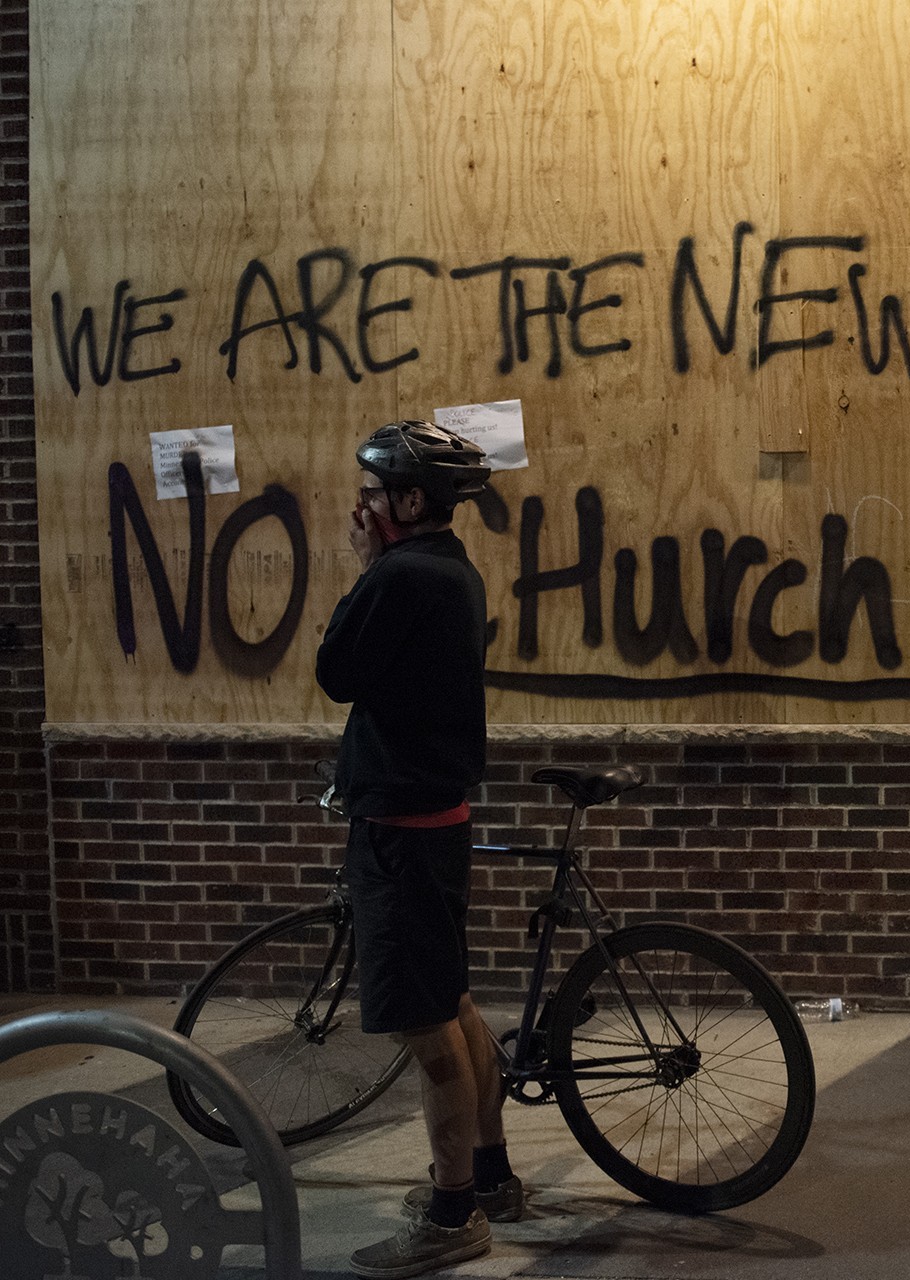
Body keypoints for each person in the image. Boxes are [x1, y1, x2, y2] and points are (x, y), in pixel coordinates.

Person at [316, 420, 521, 1279]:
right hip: (435, 821)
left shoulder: (401, 575)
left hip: (401, 833)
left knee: (425, 1026)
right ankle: (493, 1175)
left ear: (408, 500)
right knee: (454, 1001)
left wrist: (366, 568)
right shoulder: (452, 570)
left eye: (373, 492)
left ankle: (451, 1215)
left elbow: (337, 672)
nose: (360, 506)